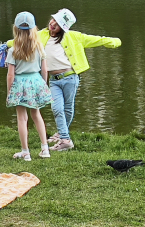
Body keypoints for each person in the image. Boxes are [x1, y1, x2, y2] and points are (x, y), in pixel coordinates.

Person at [37, 8, 121, 151]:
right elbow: (22, 40)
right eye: (53, 20)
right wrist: (6, 46)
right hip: (54, 80)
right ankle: (65, 138)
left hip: (70, 78)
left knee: (68, 108)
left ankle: (62, 136)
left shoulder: (73, 36)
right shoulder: (41, 35)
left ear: (64, 28)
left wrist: (113, 41)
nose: (53, 24)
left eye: (58, 23)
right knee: (57, 108)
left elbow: (94, 39)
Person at [6, 12, 51, 161]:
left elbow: (11, 75)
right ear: (34, 29)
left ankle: (25, 151)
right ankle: (45, 148)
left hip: (20, 84)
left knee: (22, 118)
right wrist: (43, 84)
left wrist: (9, 91)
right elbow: (44, 69)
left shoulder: (13, 50)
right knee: (37, 115)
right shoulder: (39, 48)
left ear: (15, 29)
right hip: (36, 81)